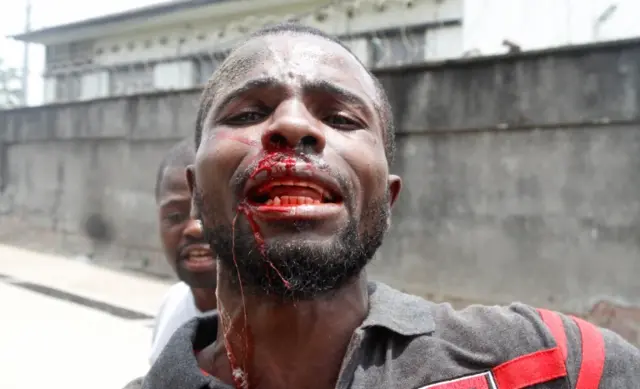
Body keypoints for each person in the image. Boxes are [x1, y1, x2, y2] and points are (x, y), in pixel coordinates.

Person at [142, 23, 640, 389]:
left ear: (388, 197)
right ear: (197, 196)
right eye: (249, 112)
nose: (292, 126)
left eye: (340, 118)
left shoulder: (557, 362)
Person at [149, 139, 217, 365]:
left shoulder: (271, 329)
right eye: (175, 217)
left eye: (210, 211)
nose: (195, 228)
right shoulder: (172, 303)